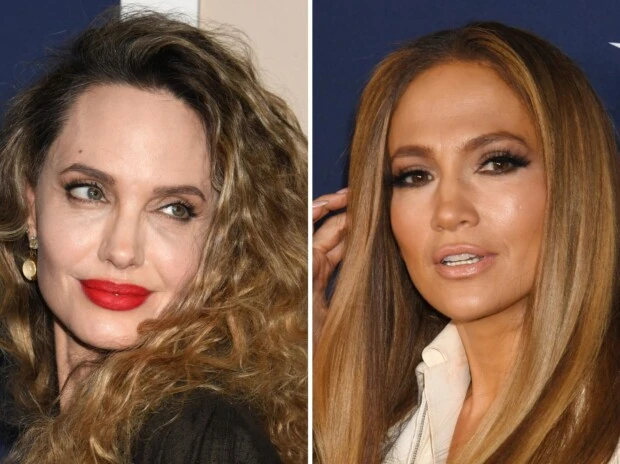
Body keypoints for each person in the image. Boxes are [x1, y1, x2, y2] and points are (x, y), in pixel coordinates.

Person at [0, 10, 307, 464]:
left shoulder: (199, 436)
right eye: (90, 192)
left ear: (225, 240)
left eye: (174, 209)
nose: (122, 250)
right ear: (31, 207)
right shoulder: (65, 422)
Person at [313, 22, 619, 463]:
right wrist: (318, 373)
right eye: (415, 175)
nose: (448, 211)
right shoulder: (388, 427)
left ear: (575, 182)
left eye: (496, 163)